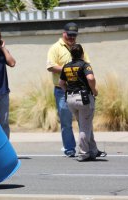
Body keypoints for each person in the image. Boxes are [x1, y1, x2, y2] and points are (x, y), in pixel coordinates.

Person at [46, 22, 90, 157]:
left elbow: (87, 64)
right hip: (62, 90)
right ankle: (69, 148)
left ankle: (87, 148)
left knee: (85, 121)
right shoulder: (55, 48)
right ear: (63, 33)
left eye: (74, 35)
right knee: (66, 122)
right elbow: (50, 66)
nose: (72, 38)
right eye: (69, 35)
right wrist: (69, 69)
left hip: (80, 90)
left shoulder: (79, 48)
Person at [59, 44, 106, 161]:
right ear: (82, 54)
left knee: (85, 124)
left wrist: (67, 92)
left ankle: (93, 150)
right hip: (83, 98)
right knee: (84, 127)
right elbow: (90, 78)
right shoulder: (85, 65)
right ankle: (83, 153)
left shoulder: (66, 66)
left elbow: (61, 83)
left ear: (71, 54)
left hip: (70, 99)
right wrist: (94, 91)